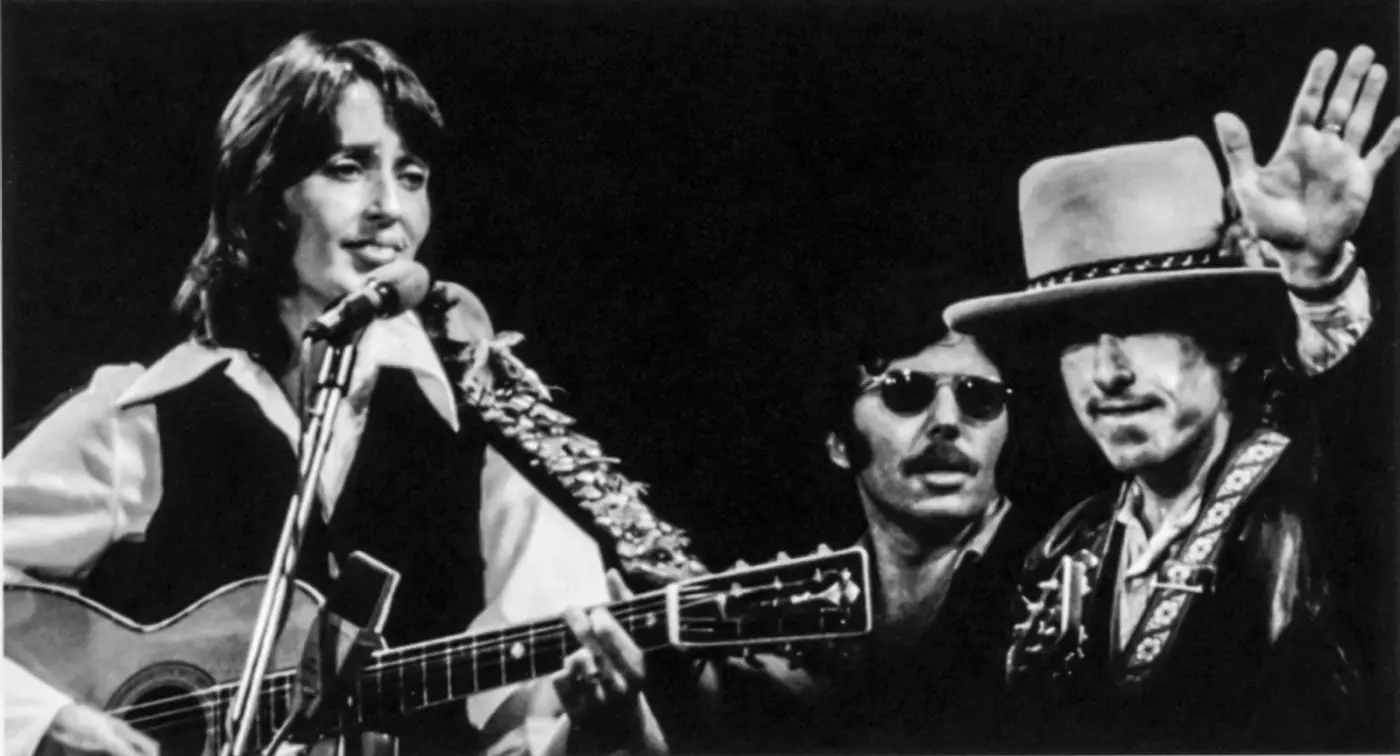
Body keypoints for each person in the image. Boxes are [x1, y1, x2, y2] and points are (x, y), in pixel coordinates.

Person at [3, 33, 668, 756]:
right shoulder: (145, 417)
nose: (390, 208)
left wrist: (609, 725)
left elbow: (537, 726)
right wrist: (49, 725)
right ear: (265, 194)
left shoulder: (488, 431)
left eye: (412, 176)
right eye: (348, 168)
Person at [944, 45, 1398, 751]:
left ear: (1232, 342)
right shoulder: (1051, 553)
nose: (1108, 371)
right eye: (1075, 338)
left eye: (1142, 325)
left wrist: (1316, 277)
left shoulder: (1328, 503)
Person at [683, 270, 1059, 753]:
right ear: (840, 444)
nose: (947, 421)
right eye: (906, 392)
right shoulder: (811, 595)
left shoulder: (1068, 570)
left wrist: (830, 722)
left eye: (978, 396)